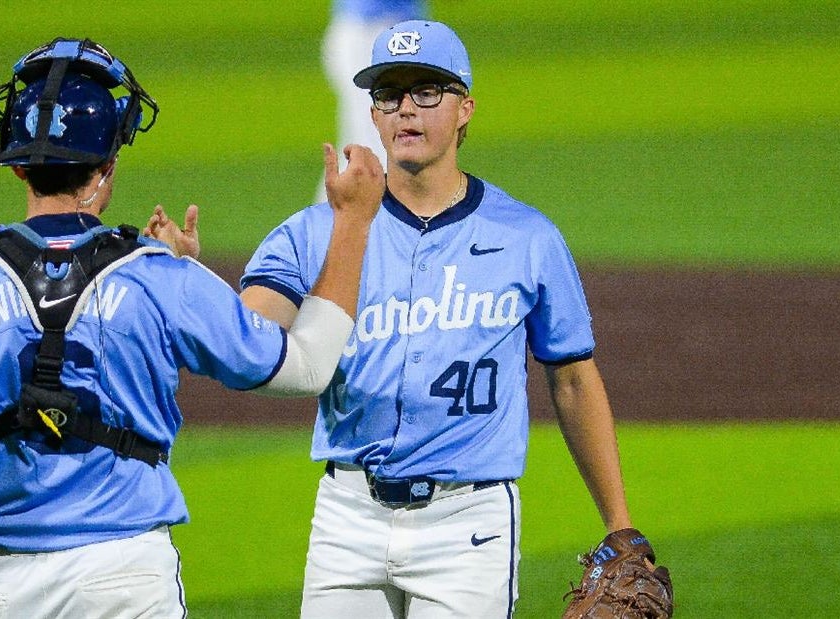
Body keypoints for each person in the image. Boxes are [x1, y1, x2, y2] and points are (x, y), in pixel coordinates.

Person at [0, 36, 383, 619]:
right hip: (129, 581)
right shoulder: (159, 276)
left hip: (6, 588)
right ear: (108, 165)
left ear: (19, 167)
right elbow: (307, 366)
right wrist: (353, 221)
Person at [149, 20, 661, 618]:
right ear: (372, 114)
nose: (405, 111)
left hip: (469, 524)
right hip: (348, 517)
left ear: (465, 109)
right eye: (389, 95)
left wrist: (619, 522)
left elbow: (572, 380)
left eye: (427, 92)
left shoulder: (527, 238)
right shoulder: (318, 231)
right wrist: (186, 282)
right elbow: (251, 335)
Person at [316, 0, 428, 202]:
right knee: (377, 145)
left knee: (363, 144)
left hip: (386, 35)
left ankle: (324, 226)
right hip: (369, 34)